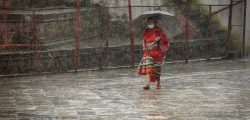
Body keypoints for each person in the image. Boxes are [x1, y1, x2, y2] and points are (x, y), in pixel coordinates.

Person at [138, 16, 170, 90]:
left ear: (155, 23)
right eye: (149, 22)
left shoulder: (159, 31)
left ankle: (158, 83)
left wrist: (158, 39)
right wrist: (143, 46)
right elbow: (144, 40)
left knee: (156, 69)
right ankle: (147, 85)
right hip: (148, 52)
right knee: (148, 68)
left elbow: (164, 40)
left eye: (151, 22)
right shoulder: (146, 31)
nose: (150, 24)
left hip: (157, 53)